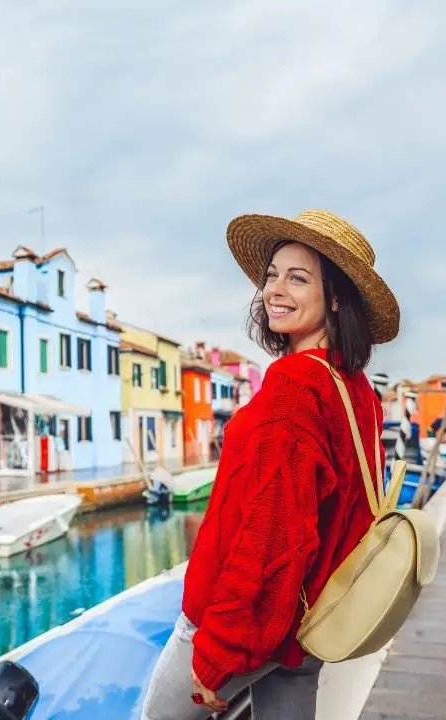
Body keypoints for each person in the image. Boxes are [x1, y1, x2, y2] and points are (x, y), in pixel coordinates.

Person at [141, 210, 399, 719]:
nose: (274, 290)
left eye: (298, 278)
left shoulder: (293, 387)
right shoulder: (356, 390)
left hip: (247, 619)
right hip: (309, 620)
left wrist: (219, 652)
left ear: (337, 297)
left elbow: (272, 531)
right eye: (271, 275)